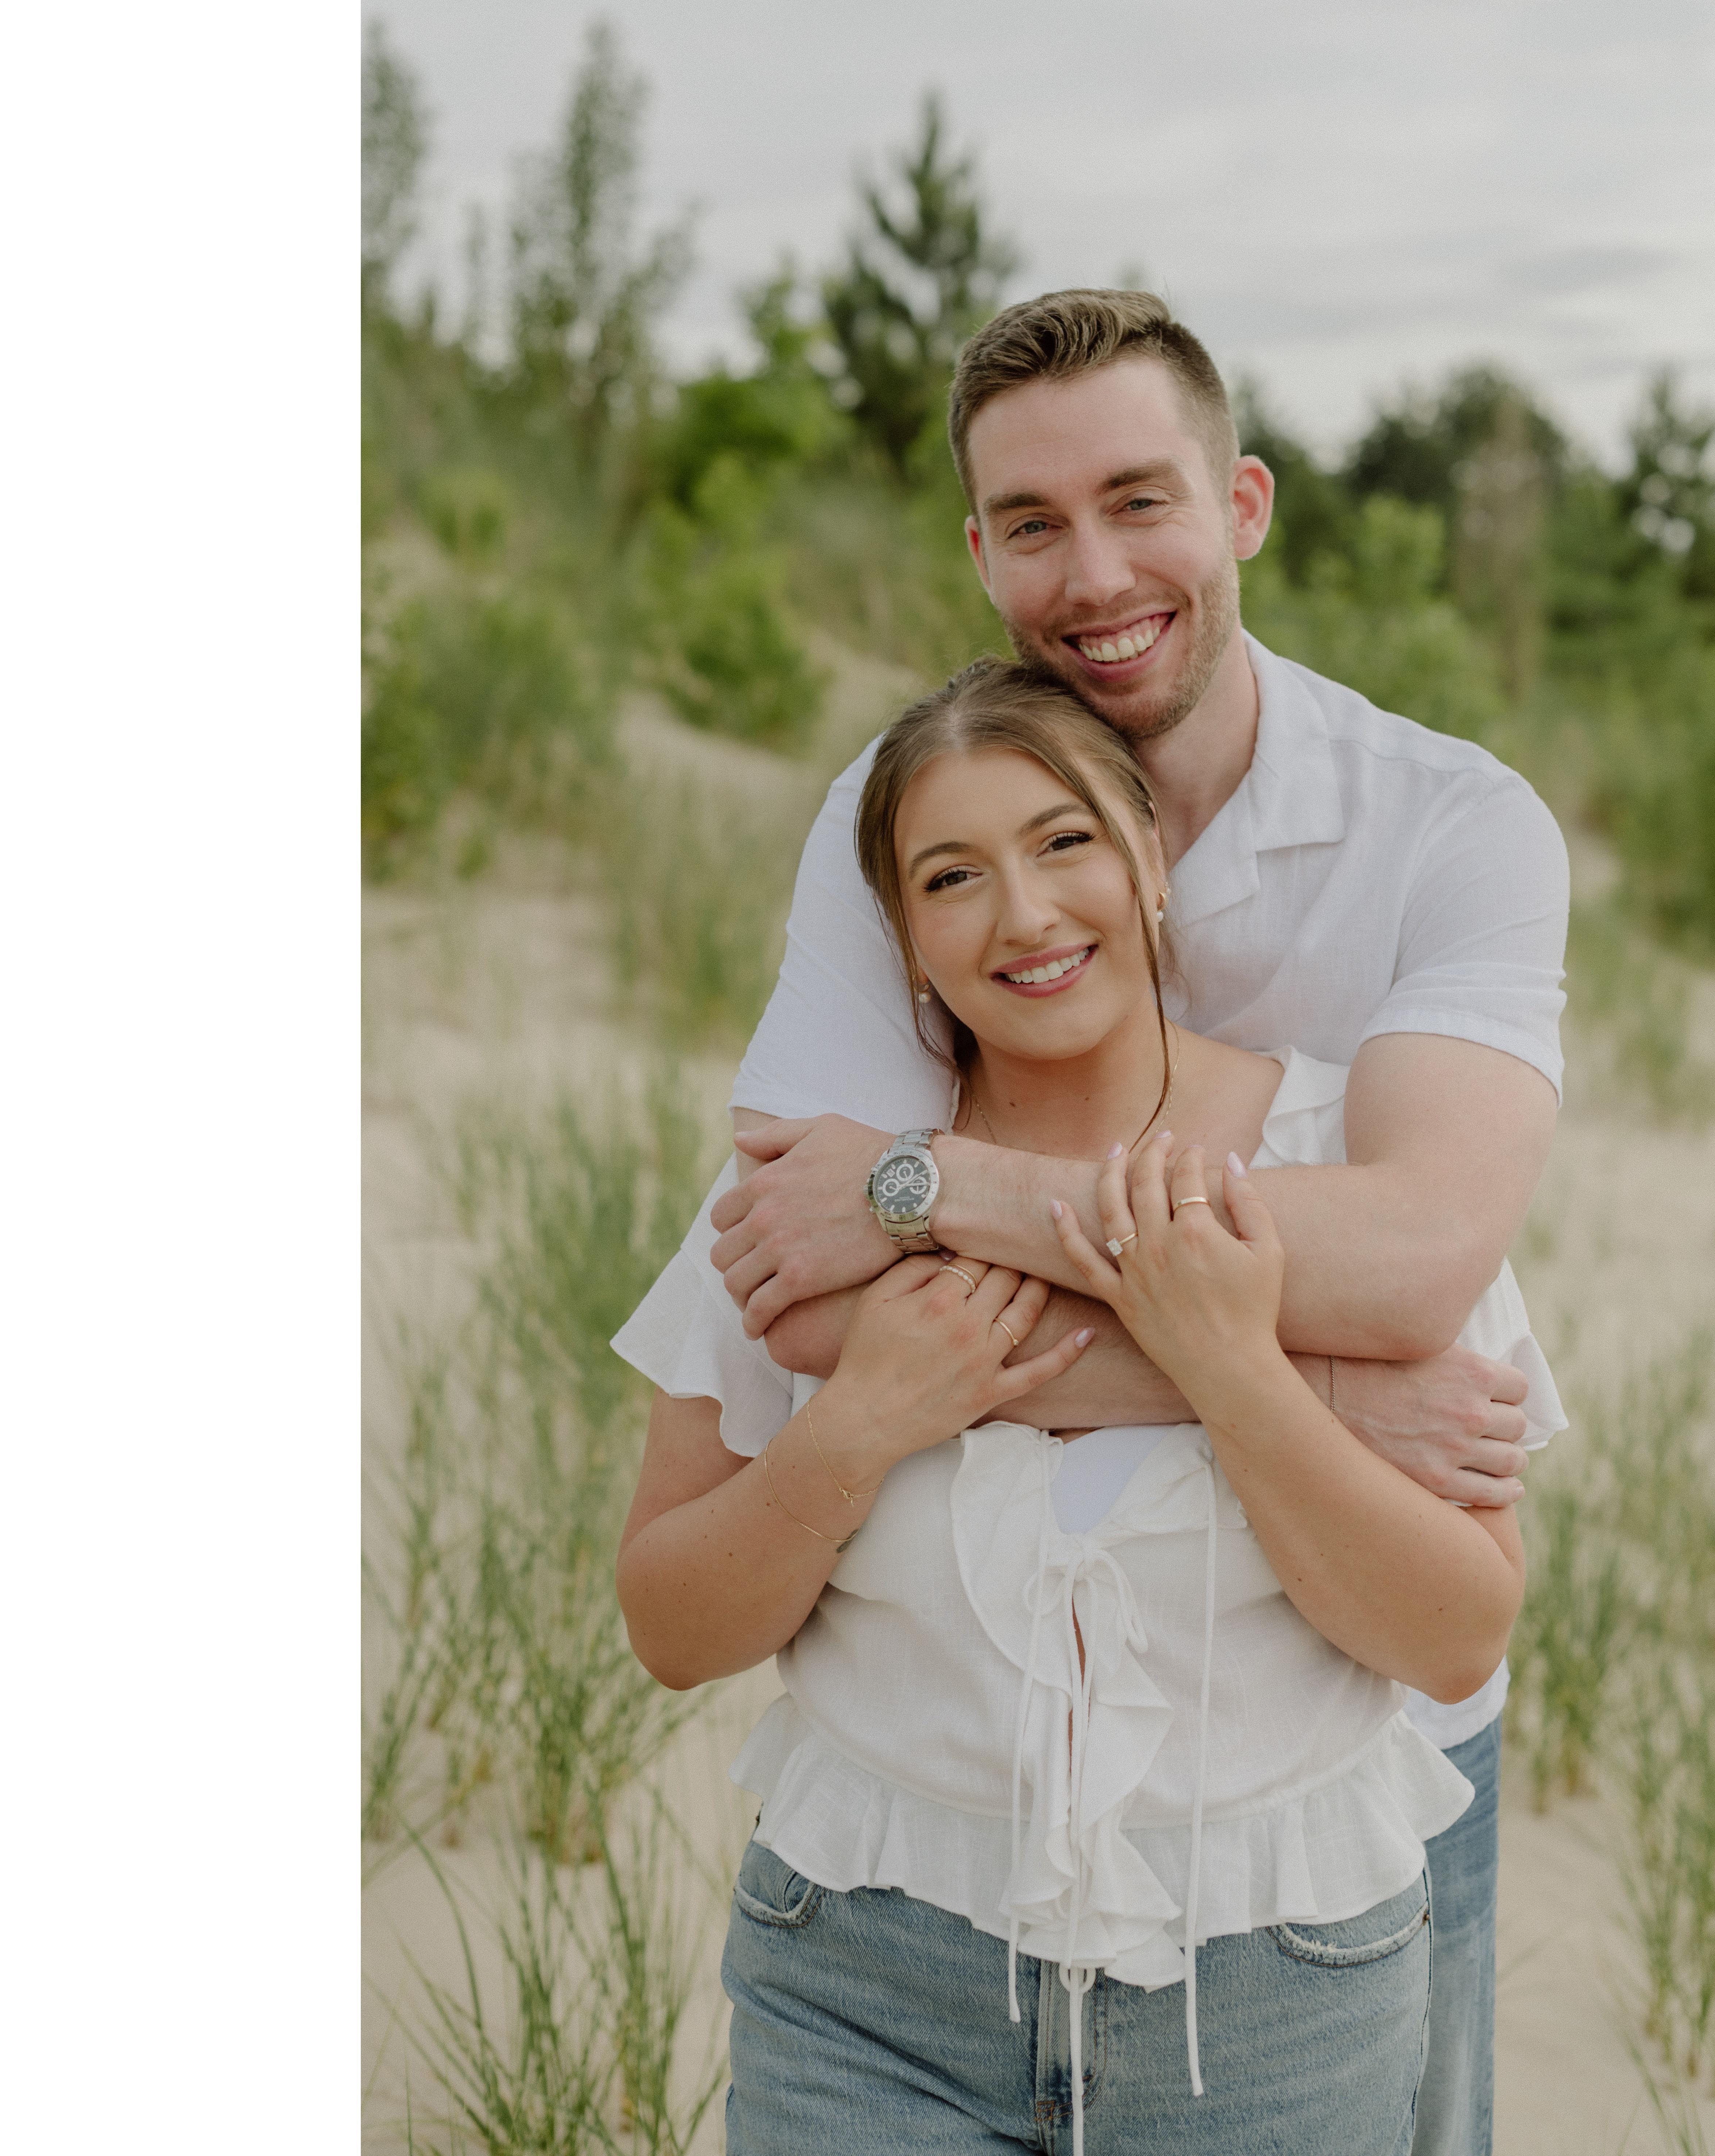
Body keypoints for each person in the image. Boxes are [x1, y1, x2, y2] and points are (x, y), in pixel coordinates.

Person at [628, 290, 1569, 2155]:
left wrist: (942, 1193)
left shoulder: (1452, 825)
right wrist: (1301, 1375)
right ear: (979, 552)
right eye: (1034, 522)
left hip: (1327, 1798)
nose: (1096, 572)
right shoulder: (897, 799)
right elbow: (794, 1288)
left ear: (1243, 504)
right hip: (905, 1906)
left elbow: (1415, 1267)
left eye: (1140, 499)